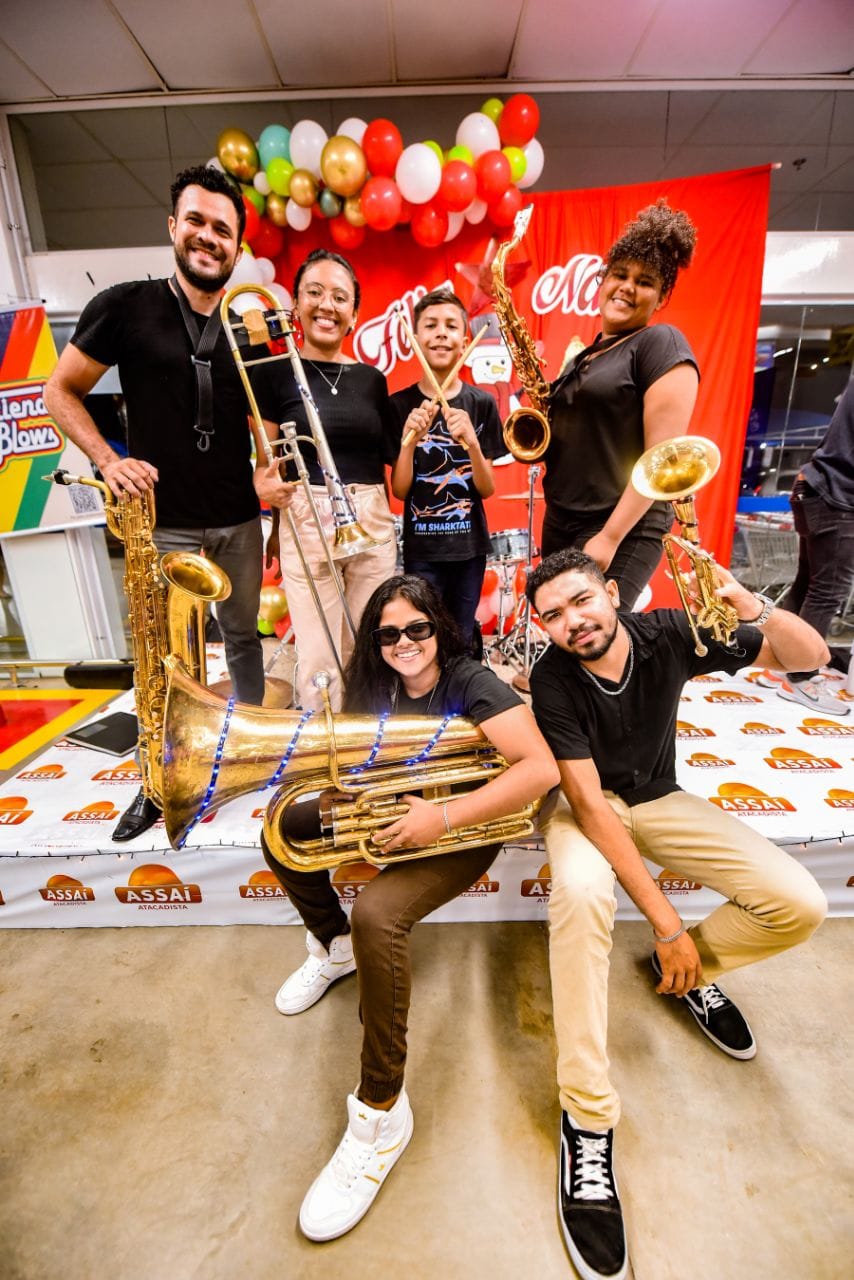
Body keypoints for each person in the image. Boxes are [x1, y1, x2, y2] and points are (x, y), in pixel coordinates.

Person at [526, 547, 828, 1280]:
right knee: (583, 894)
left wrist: (755, 608)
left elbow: (809, 658)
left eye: (581, 601)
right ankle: (587, 1118)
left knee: (800, 903)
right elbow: (589, 805)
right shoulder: (552, 677)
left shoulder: (668, 632)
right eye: (553, 616)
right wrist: (665, 923)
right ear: (544, 628)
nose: (572, 622)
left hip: (659, 798)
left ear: (612, 592)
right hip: (585, 808)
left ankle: (691, 972)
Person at [261, 574, 558, 1242]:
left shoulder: (472, 681)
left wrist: (441, 817)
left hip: (461, 828)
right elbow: (359, 762)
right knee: (280, 832)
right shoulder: (373, 684)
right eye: (389, 633)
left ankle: (381, 1111)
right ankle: (333, 947)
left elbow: (540, 769)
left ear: (438, 630)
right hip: (397, 811)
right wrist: (346, 792)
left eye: (417, 628)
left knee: (378, 914)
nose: (404, 643)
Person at [44, 164, 291, 841]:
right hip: (164, 524)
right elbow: (60, 390)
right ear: (173, 226)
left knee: (244, 639)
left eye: (223, 229)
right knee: (164, 662)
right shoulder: (125, 305)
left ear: (237, 245)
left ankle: (247, 750)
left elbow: (265, 422)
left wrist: (267, 476)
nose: (209, 237)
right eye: (197, 222)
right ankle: (157, 779)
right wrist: (108, 459)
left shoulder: (247, 325)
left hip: (237, 518)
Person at [252, 248, 399, 711]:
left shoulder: (372, 379)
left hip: (370, 514)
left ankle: (367, 736)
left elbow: (384, 461)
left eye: (340, 297)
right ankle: (326, 742)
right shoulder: (272, 374)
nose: (327, 305)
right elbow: (266, 463)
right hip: (307, 513)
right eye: (314, 292)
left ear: (354, 313)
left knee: (370, 642)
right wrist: (270, 509)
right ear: (295, 305)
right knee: (319, 649)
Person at [542, 200, 700, 609]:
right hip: (562, 517)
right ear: (603, 280)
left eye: (645, 281)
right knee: (563, 631)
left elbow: (661, 460)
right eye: (620, 274)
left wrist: (610, 537)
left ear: (661, 297)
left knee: (598, 635)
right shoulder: (585, 355)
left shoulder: (660, 343)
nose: (628, 287)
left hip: (620, 523)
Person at [389, 288, 504, 647]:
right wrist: (409, 440)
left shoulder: (481, 403)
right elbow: (400, 490)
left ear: (464, 341)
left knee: (461, 637)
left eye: (451, 326)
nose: (441, 333)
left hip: (468, 548)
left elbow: (487, 488)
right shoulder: (399, 405)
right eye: (431, 325)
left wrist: (471, 443)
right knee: (424, 636)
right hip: (421, 549)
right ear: (415, 339)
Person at [756, 378, 854, 717]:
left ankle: (780, 663)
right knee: (827, 589)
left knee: (809, 582)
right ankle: (801, 676)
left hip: (819, 484)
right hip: (839, 493)